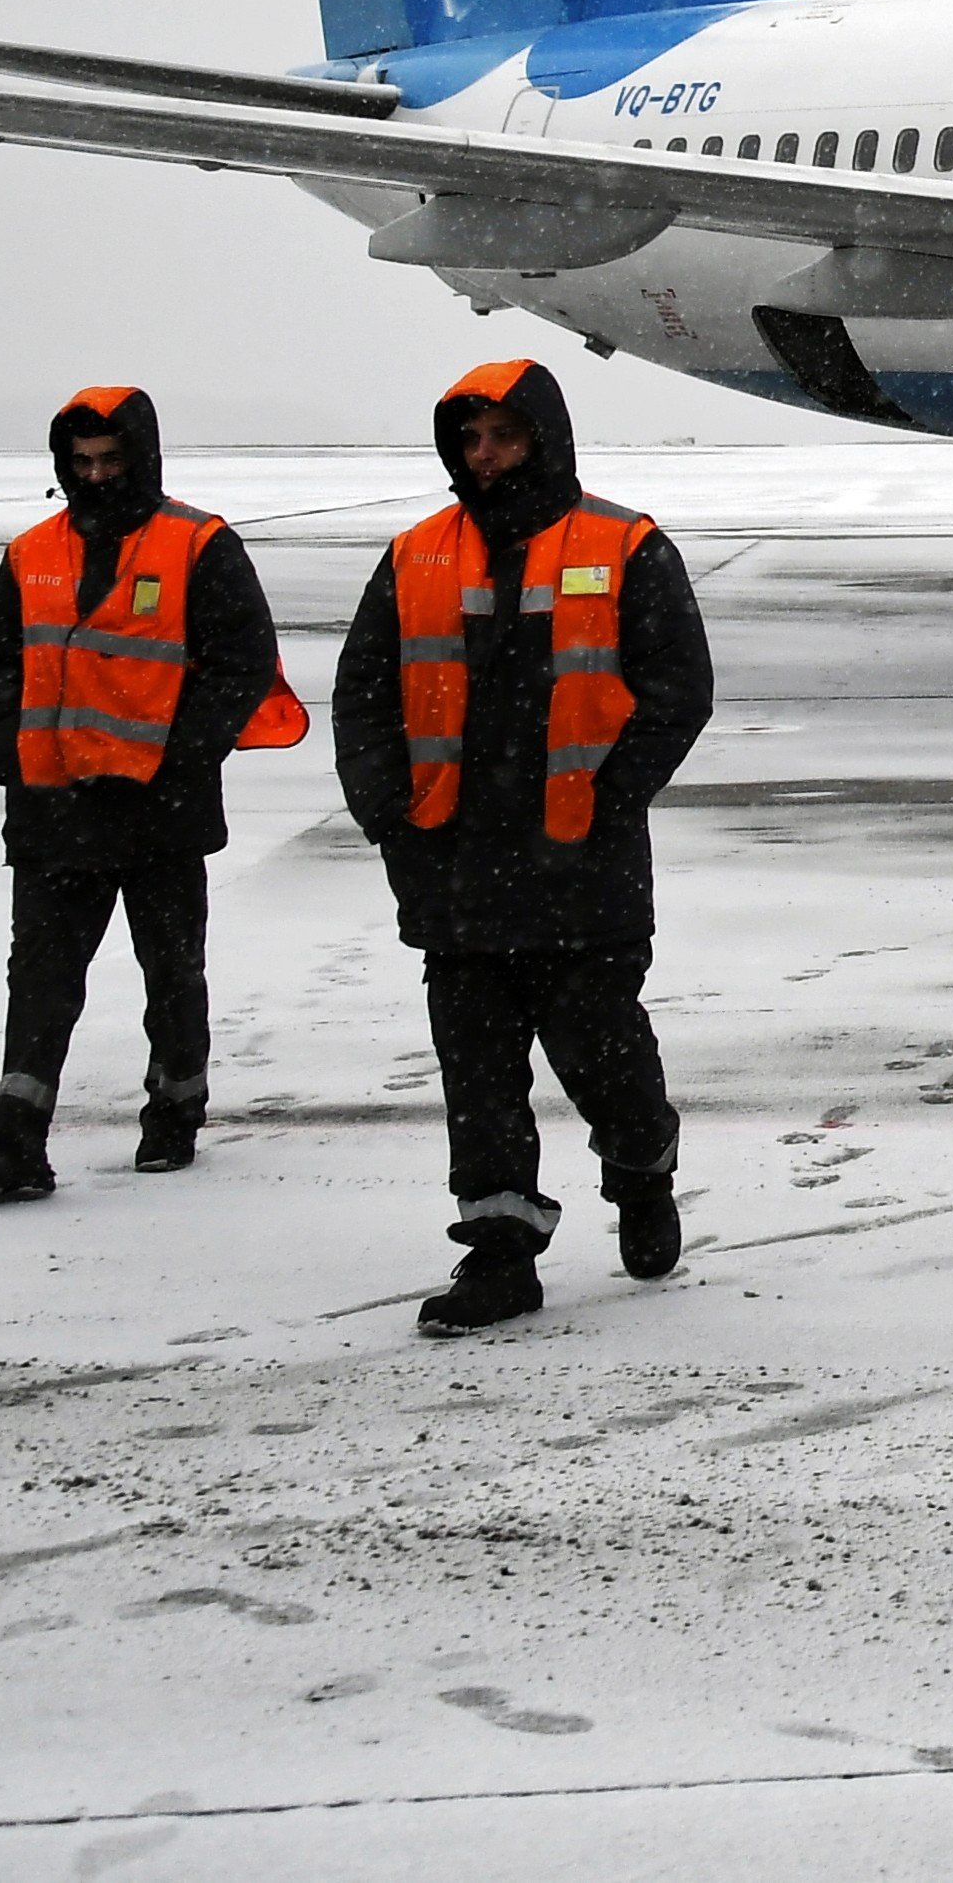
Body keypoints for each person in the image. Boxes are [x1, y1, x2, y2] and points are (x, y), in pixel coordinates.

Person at [329, 357, 713, 1335]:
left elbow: (677, 690)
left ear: (543, 437)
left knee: (606, 1060)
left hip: (581, 868)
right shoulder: (415, 554)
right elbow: (364, 700)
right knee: (479, 1076)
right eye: (470, 439)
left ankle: (641, 1174)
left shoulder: (624, 546)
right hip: (453, 870)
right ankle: (500, 1251)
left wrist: (612, 798)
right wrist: (387, 815)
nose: (485, 455)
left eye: (503, 435)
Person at [0, 385, 296, 1202]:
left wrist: (178, 754)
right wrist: (8, 757)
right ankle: (14, 1139)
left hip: (160, 807)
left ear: (141, 456)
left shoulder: (198, 544)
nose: (94, 475)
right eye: (80, 461)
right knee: (41, 977)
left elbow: (243, 663)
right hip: (54, 805)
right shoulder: (31, 553)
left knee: (170, 970)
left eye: (109, 459)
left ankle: (175, 1108)